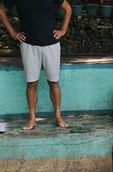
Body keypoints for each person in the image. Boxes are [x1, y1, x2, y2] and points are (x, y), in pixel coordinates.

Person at [0, 0, 72, 130]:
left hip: (51, 44)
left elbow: (68, 8)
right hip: (29, 45)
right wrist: (13, 33)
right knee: (32, 83)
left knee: (54, 82)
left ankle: (58, 117)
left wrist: (63, 29)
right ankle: (32, 118)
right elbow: (1, 10)